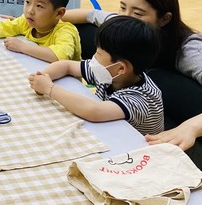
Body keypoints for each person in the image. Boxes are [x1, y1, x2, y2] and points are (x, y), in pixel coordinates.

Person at [62, 0, 202, 198]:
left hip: (186, 146)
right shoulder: (128, 26)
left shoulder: (190, 49)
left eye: (138, 13)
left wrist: (190, 128)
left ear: (164, 19)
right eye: (123, 7)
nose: (125, 17)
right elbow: (90, 14)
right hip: (141, 129)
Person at [30, 16, 163, 135]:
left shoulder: (139, 99)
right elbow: (67, 66)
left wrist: (49, 88)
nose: (94, 58)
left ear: (121, 68)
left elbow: (94, 111)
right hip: (109, 132)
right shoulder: (110, 72)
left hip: (136, 148)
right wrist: (43, 76)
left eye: (98, 54)